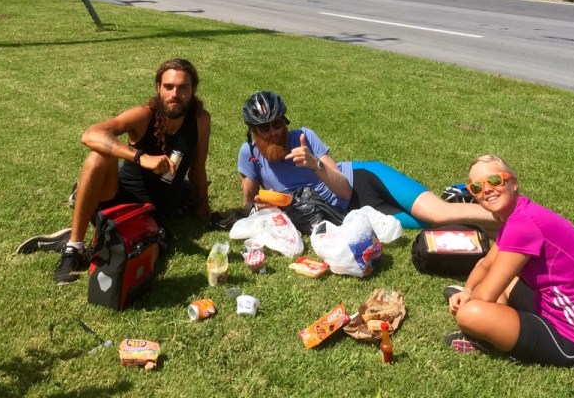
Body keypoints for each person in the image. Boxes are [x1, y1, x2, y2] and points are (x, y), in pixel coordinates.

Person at [237, 91, 501, 232]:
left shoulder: (304, 137)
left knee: (437, 214)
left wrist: (315, 164)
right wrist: (258, 206)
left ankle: (512, 215)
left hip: (364, 179)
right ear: (253, 130)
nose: (272, 132)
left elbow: (344, 189)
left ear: (285, 120)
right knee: (433, 224)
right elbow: (250, 203)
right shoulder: (249, 155)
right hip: (351, 214)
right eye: (264, 128)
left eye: (276, 123)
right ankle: (471, 209)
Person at [53, 58, 212, 284]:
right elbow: (90, 135)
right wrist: (141, 157)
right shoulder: (144, 115)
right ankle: (74, 247)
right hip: (119, 198)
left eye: (183, 87)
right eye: (168, 87)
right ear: (158, 88)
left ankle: (89, 212)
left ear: (192, 89)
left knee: (140, 255)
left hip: (155, 212)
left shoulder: (200, 120)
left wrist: (205, 212)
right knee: (98, 156)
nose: (175, 94)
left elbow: (197, 170)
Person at [445, 154, 574, 368]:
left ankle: (485, 336)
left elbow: (486, 295)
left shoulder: (522, 224)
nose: (486, 190)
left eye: (495, 181)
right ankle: (493, 327)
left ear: (513, 183)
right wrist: (467, 291)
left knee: (470, 314)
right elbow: (487, 264)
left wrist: (469, 304)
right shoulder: (518, 214)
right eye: (476, 187)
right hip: (558, 309)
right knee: (500, 280)